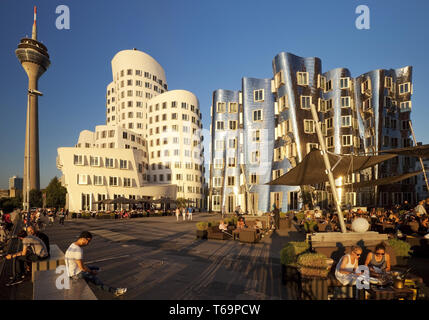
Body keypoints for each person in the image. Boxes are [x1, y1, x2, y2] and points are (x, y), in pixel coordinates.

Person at [65, 231, 127, 297]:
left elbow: (79, 264)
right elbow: (82, 268)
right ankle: (116, 291)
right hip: (77, 274)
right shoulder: (78, 250)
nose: (88, 243)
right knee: (97, 282)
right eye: (88, 241)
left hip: (71, 271)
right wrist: (92, 272)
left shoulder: (73, 245)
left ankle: (82, 287)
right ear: (83, 238)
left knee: (94, 267)